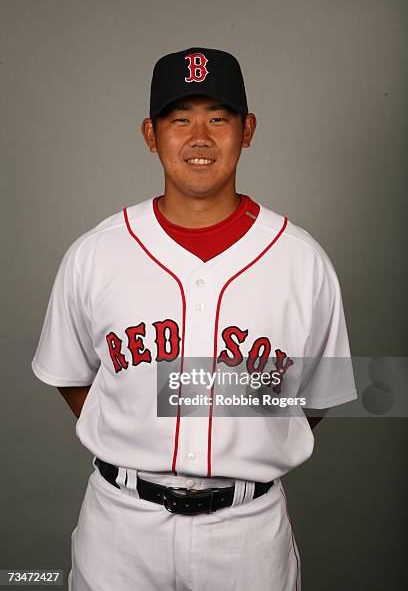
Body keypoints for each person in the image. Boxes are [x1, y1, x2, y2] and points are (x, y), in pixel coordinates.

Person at [31, 47, 358, 590]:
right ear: (150, 134)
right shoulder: (96, 253)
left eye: (218, 118)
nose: (199, 136)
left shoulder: (301, 260)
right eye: (179, 119)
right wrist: (137, 432)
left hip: (248, 536)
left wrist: (249, 432)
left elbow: (318, 398)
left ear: (247, 129)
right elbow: (70, 375)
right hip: (121, 529)